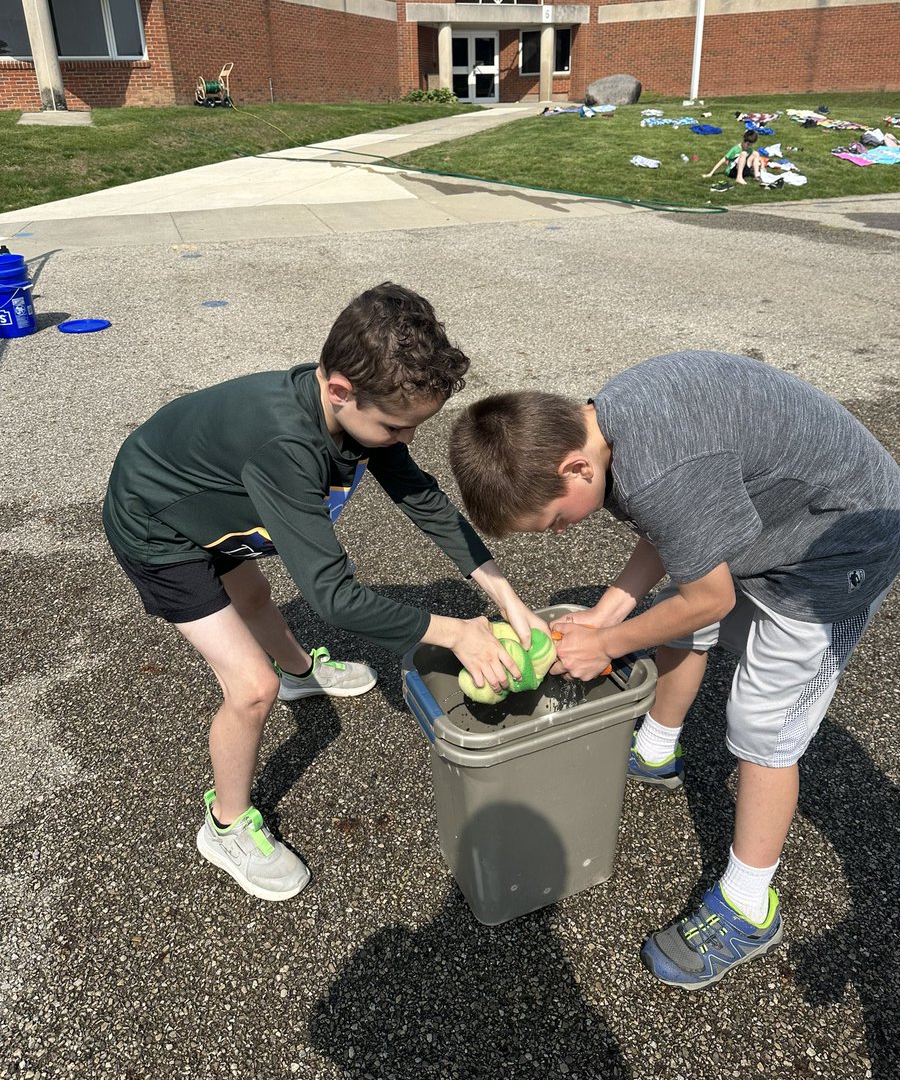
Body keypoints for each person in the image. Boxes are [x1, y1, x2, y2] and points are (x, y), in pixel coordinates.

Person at [448, 351, 900, 990]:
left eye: (552, 520)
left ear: (575, 466)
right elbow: (676, 526)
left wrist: (607, 646)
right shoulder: (608, 420)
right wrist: (610, 614)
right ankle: (657, 750)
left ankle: (749, 907)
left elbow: (707, 590)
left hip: (837, 544)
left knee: (763, 728)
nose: (556, 536)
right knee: (679, 620)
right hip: (779, 515)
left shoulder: (659, 470)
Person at [103, 283, 547, 902]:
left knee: (255, 600)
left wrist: (501, 592)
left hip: (212, 506)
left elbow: (420, 496)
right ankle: (224, 826)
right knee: (250, 689)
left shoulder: (364, 417)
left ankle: (299, 670)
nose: (405, 441)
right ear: (339, 390)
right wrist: (455, 630)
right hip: (159, 527)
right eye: (396, 428)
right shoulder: (286, 446)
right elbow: (332, 597)